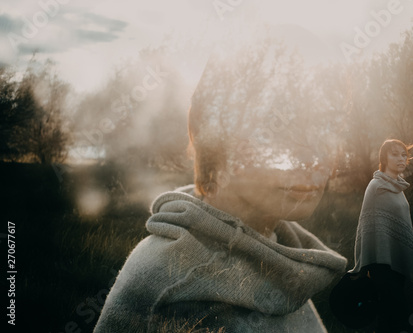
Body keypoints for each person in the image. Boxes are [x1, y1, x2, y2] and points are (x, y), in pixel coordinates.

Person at [94, 27, 347, 333]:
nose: (311, 157)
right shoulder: (177, 296)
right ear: (211, 132)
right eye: (276, 125)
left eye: (324, 126)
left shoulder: (281, 256)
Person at [348, 139, 413, 332]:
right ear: (384, 158)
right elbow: (366, 227)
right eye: (395, 154)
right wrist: (366, 261)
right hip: (381, 263)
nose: (401, 158)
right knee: (393, 313)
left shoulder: (398, 188)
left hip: (397, 261)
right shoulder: (376, 187)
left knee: (395, 314)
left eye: (404, 155)